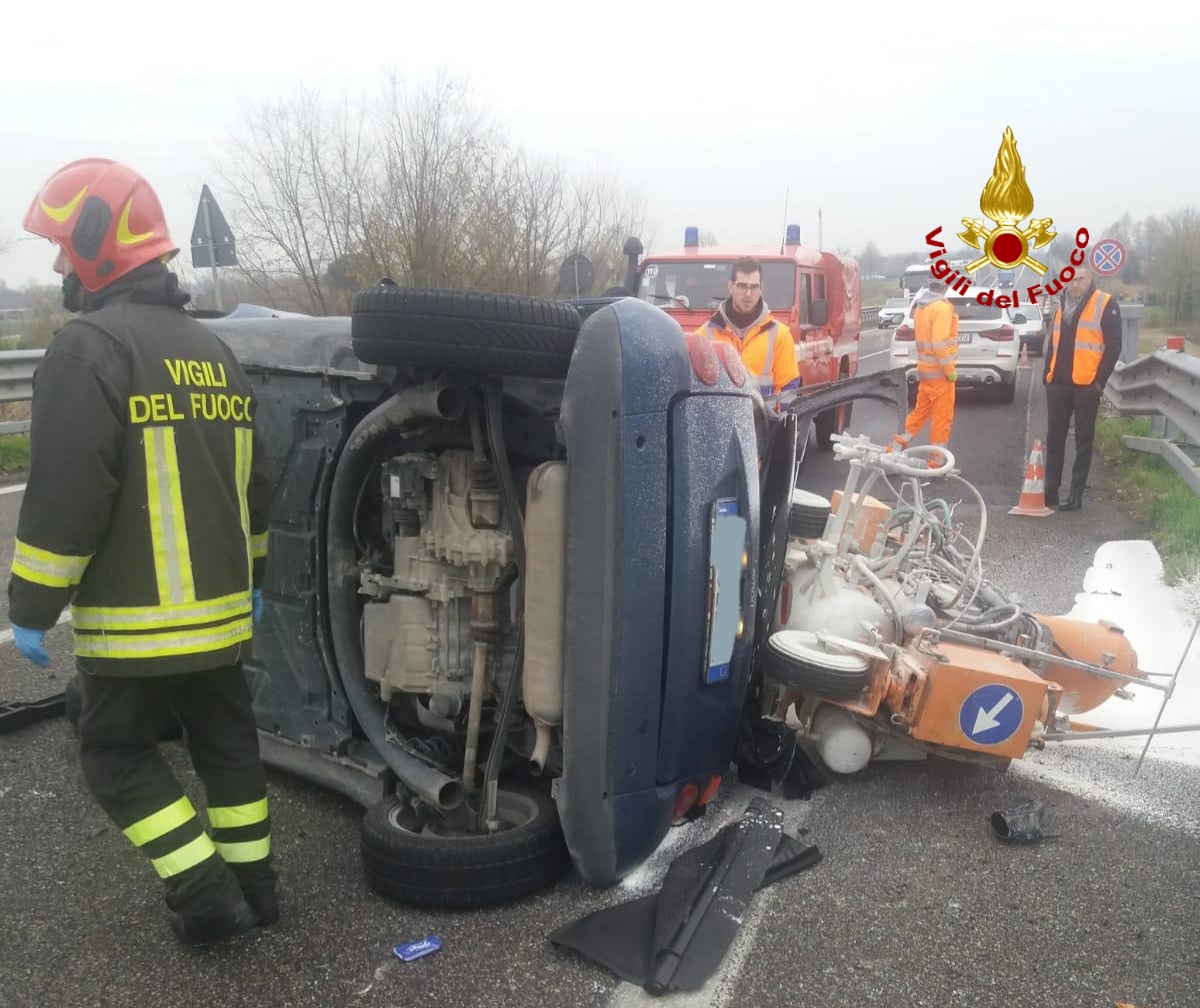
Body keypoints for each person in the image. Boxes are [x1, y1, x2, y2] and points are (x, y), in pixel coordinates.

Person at [10, 158, 276, 945]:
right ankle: (258, 890)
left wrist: (30, 607)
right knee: (228, 748)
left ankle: (203, 894)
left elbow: (64, 500)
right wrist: (254, 575)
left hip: (136, 627)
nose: (58, 263)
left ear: (100, 243)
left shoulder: (87, 350)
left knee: (115, 755)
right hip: (224, 618)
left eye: (64, 245)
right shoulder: (214, 352)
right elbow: (256, 487)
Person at [1042, 267, 1122, 511]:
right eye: (1070, 279)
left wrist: (1098, 384)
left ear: (1090, 280)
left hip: (1086, 385)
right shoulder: (1060, 303)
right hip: (1058, 383)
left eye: (1080, 279)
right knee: (1054, 438)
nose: (1075, 284)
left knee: (1083, 441)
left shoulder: (1105, 303)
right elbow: (1053, 344)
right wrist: (1047, 376)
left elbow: (1114, 346)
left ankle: (1075, 495)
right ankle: (1050, 491)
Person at [696, 256, 800, 404]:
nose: (748, 294)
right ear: (730, 286)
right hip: (718, 424)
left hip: (764, 425)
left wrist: (781, 424)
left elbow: (789, 389)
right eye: (742, 286)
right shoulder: (704, 335)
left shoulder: (780, 335)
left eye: (754, 287)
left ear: (761, 288)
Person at [890, 279, 959, 465]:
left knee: (919, 414)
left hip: (925, 372)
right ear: (945, 288)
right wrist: (949, 370)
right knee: (942, 419)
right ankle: (937, 462)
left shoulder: (922, 308)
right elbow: (938, 345)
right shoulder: (942, 308)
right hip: (940, 375)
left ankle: (894, 448)